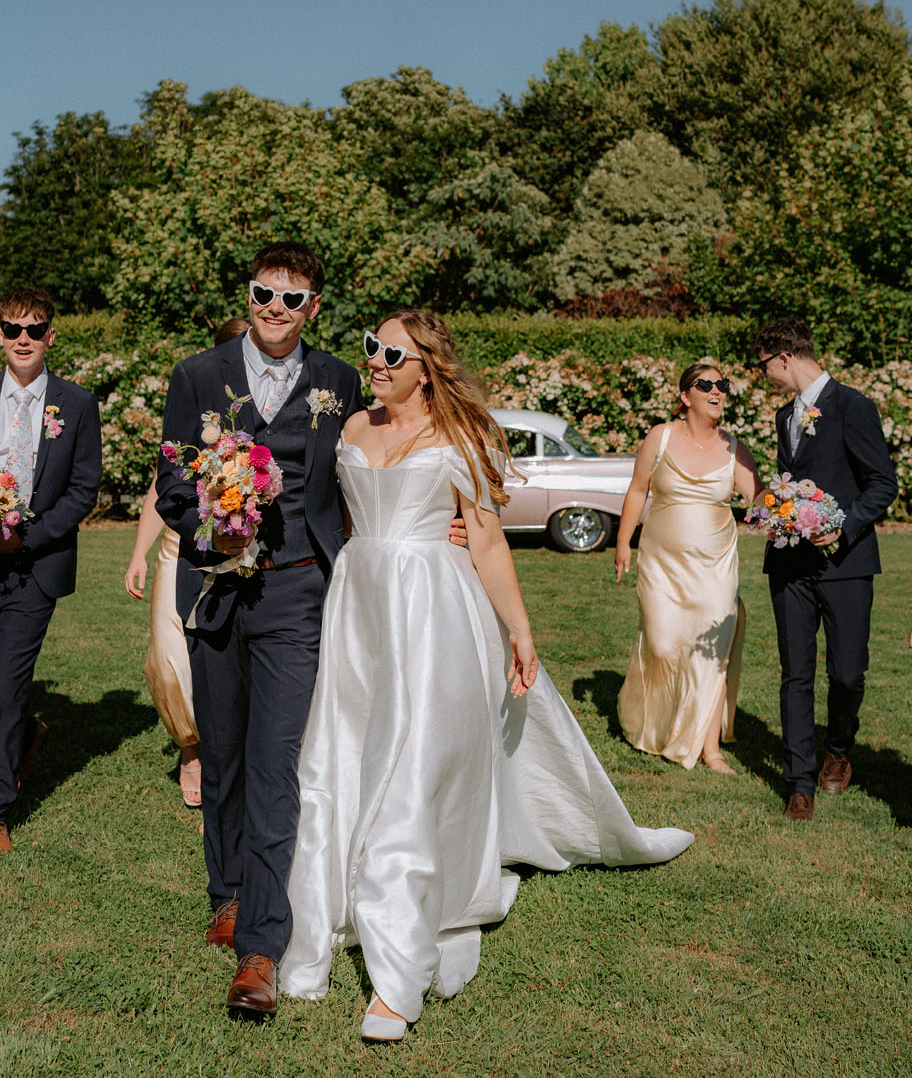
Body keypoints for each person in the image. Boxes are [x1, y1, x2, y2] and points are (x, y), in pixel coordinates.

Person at [279, 310, 694, 1043]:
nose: (372, 360)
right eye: (370, 346)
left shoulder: (459, 439)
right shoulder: (347, 428)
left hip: (432, 612)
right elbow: (331, 516)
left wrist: (521, 630)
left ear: (428, 365)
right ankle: (321, 921)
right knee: (337, 759)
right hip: (359, 607)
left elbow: (492, 541)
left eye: (390, 352)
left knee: (409, 769)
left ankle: (396, 982)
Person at [155, 243, 363, 1018]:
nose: (275, 311)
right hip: (215, 587)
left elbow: (368, 466)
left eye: (293, 299)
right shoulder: (198, 374)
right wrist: (214, 525)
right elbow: (173, 476)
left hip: (299, 589)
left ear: (315, 308)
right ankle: (228, 892)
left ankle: (262, 951)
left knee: (277, 762)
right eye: (263, 295)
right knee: (228, 748)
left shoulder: (340, 381)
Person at [0, 286, 102, 853]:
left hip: (36, 568)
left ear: (50, 336)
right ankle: (25, 732)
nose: (24, 340)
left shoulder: (78, 404)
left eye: (35, 330)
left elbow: (84, 486)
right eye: (13, 329)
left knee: (9, 687)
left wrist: (29, 536)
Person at [753, 318, 897, 822]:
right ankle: (799, 783)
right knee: (795, 673)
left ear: (784, 358)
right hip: (789, 564)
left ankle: (838, 748)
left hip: (846, 564)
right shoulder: (781, 417)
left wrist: (843, 527)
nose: (764, 375)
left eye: (763, 365)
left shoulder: (853, 406)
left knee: (847, 673)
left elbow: (882, 484)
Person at [124, 317, 249, 810]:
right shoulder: (195, 404)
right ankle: (191, 749)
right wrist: (138, 553)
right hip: (180, 550)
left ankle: (226, 757)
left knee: (226, 661)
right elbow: (163, 485)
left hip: (240, 551)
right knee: (170, 658)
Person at [614, 360, 761, 774]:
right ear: (685, 396)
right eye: (705, 384)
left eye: (722, 385)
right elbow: (638, 489)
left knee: (712, 652)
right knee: (662, 645)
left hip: (715, 565)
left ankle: (709, 748)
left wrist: (798, 508)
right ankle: (659, 727)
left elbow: (761, 499)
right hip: (660, 564)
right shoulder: (660, 437)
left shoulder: (735, 448)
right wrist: (624, 542)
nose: (717, 391)